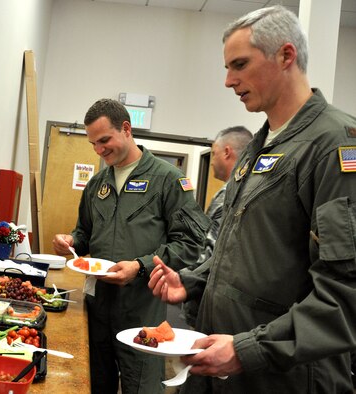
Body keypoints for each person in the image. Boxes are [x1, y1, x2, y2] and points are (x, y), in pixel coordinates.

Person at [148, 5, 356, 394]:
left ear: (286, 55)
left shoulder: (336, 145)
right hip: (226, 364)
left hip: (285, 377)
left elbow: (345, 295)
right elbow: (247, 254)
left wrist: (247, 349)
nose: (229, 80)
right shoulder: (256, 149)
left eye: (239, 65)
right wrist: (192, 282)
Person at [53, 98, 210, 394]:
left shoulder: (168, 180)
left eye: (104, 140)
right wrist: (71, 241)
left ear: (126, 129)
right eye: (93, 145)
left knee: (142, 387)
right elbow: (84, 233)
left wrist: (140, 266)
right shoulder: (96, 184)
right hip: (97, 307)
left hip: (141, 311)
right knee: (95, 383)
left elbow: (191, 244)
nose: (99, 150)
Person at [182, 126, 252, 327]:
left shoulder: (231, 193)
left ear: (227, 152)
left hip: (212, 302)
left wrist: (183, 279)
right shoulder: (241, 188)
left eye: (214, 154)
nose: (211, 161)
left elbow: (213, 252)